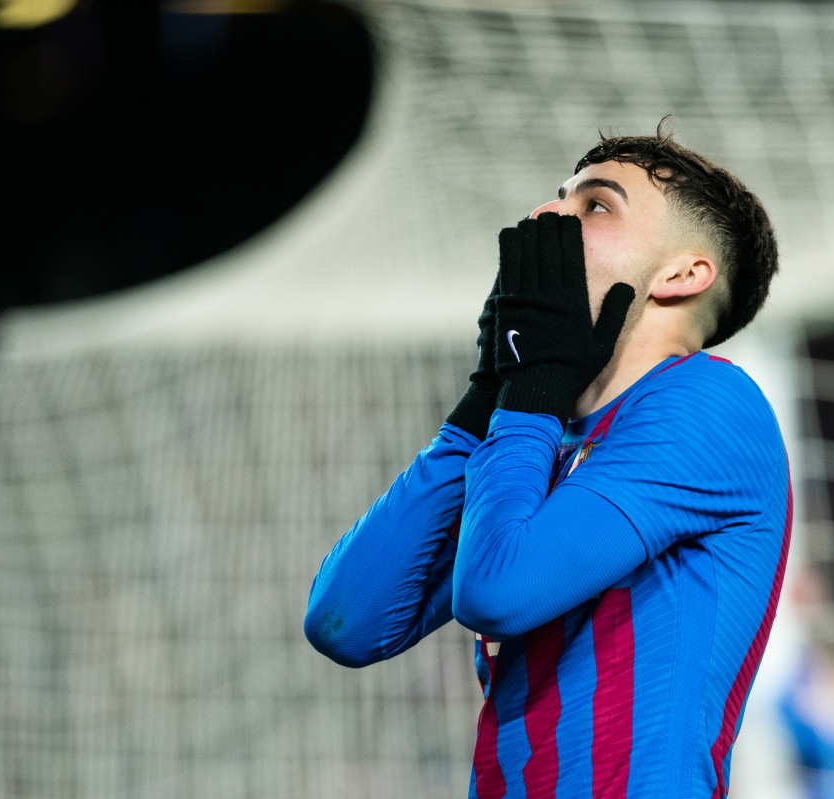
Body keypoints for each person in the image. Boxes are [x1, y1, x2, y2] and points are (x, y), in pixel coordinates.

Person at [305, 123, 792, 798]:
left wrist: (532, 385)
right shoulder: (544, 444)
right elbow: (346, 621)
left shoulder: (713, 401)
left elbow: (496, 592)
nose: (545, 216)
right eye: (557, 197)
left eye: (596, 205)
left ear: (683, 274)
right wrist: (485, 396)